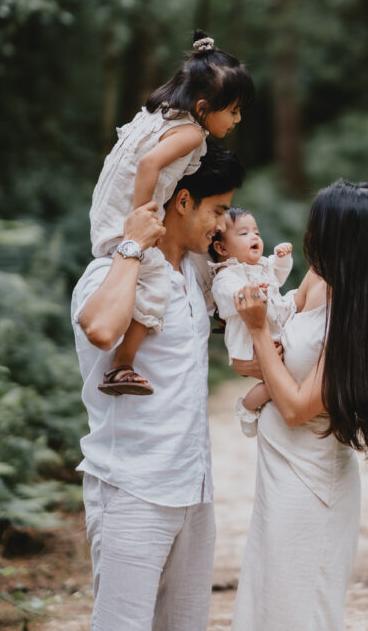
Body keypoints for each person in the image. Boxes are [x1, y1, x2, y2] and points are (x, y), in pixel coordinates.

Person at [229, 181, 368, 631]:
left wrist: (256, 331)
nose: (311, 236)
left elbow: (296, 407)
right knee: (266, 604)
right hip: (277, 474)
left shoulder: (358, 318)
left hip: (310, 485)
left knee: (299, 612)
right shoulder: (318, 278)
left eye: (322, 228)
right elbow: (274, 345)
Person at [71, 147, 245, 630]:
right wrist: (131, 245)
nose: (221, 223)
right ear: (182, 201)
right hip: (133, 489)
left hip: (194, 488)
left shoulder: (193, 275)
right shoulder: (111, 272)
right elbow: (102, 330)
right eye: (216, 210)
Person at [89, 29, 253, 397]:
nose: (238, 120)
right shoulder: (191, 134)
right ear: (203, 109)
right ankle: (122, 365)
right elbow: (148, 165)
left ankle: (215, 314)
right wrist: (142, 220)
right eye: (234, 111)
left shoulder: (158, 116)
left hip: (105, 211)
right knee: (155, 279)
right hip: (127, 223)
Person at [208, 207, 297, 437]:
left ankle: (272, 406)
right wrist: (248, 291)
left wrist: (281, 257)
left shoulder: (262, 267)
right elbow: (230, 296)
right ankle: (247, 407)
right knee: (276, 381)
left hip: (272, 335)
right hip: (250, 346)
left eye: (256, 232)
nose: (255, 237)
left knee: (285, 377)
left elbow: (279, 274)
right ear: (221, 247)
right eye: (244, 233)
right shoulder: (226, 276)